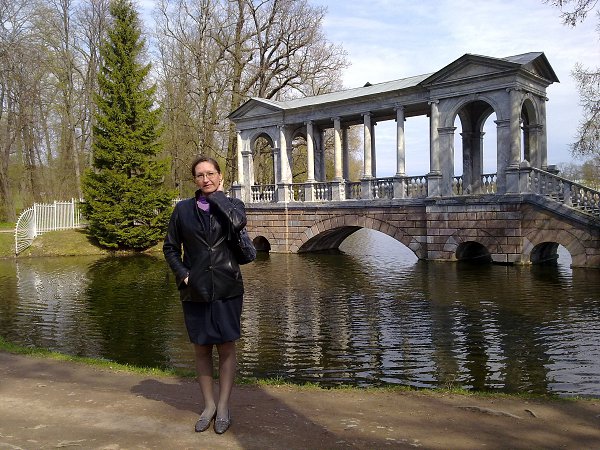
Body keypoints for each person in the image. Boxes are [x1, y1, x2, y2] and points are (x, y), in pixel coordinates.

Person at [163, 155, 247, 435]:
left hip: (227, 287)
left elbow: (238, 223)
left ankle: (223, 407)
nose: (206, 179)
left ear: (220, 176)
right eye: (200, 175)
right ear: (194, 180)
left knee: (226, 347)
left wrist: (218, 198)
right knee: (201, 348)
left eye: (211, 173)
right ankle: (208, 406)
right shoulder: (182, 210)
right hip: (195, 289)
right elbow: (170, 248)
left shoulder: (233, 205)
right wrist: (184, 274)